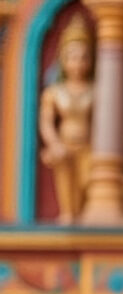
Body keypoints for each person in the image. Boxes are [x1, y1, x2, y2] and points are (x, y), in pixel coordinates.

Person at [39, 11, 94, 223]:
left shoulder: (94, 90)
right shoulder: (54, 92)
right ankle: (69, 216)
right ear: (63, 59)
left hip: (88, 147)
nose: (78, 63)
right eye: (72, 57)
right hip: (63, 146)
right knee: (67, 194)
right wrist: (54, 144)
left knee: (88, 182)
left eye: (84, 57)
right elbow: (46, 123)